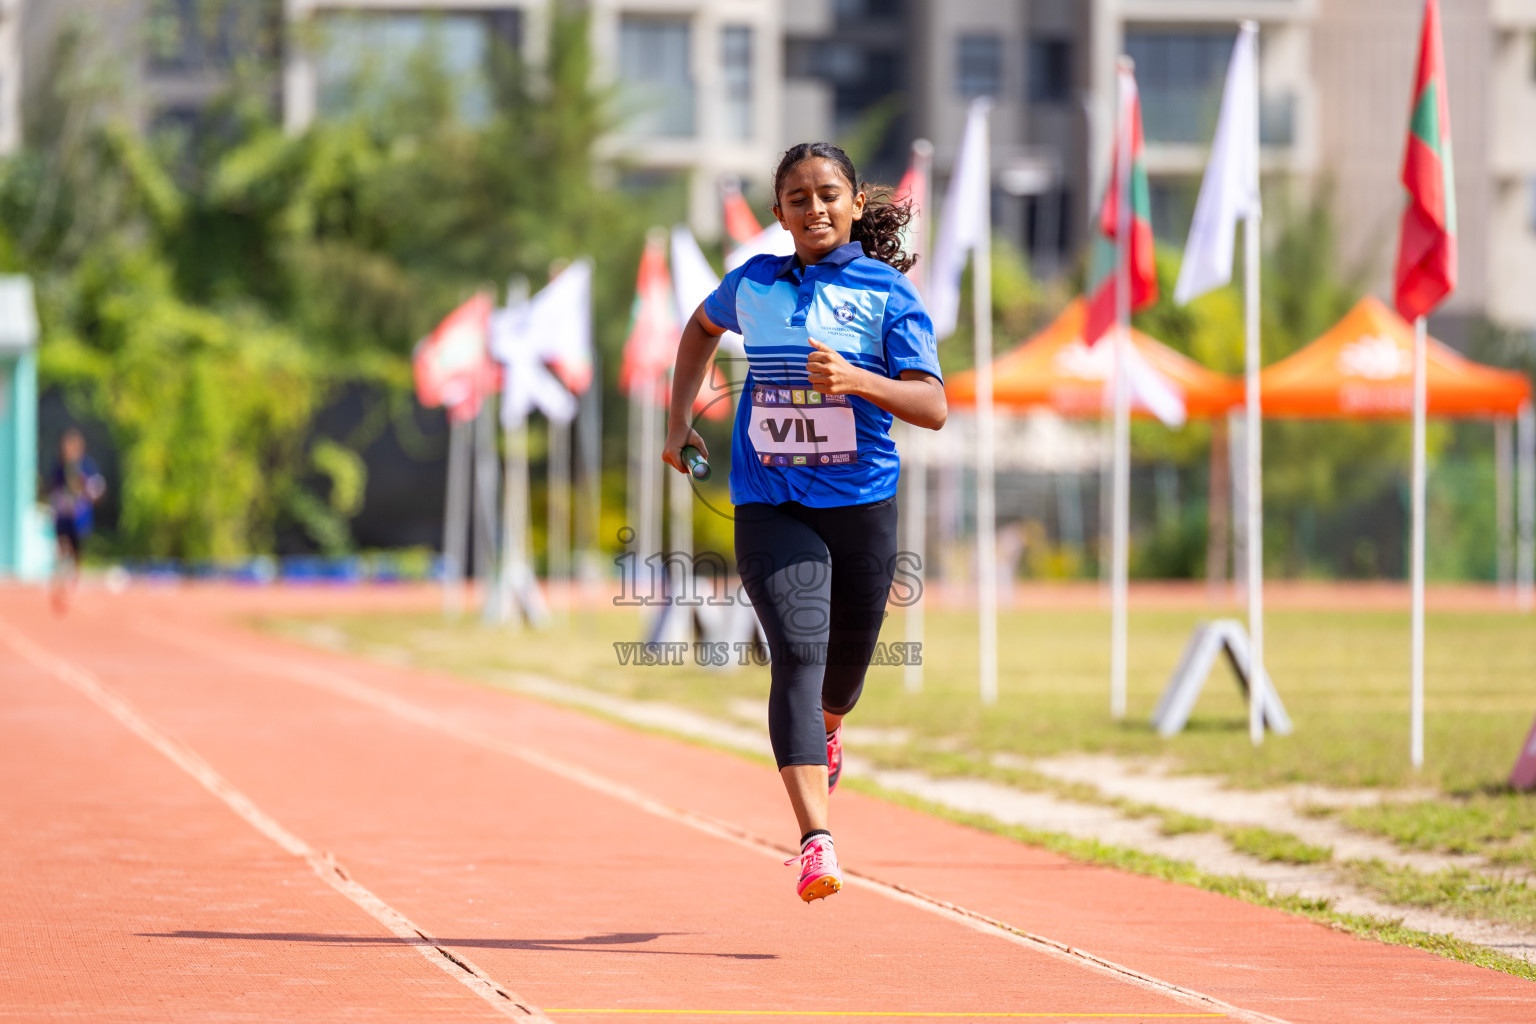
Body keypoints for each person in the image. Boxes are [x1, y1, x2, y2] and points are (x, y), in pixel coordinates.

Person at [664, 143, 946, 902]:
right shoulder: (754, 283)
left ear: (855, 203)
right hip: (770, 500)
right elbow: (698, 327)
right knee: (797, 649)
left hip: (861, 505)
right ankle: (815, 841)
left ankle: (829, 725)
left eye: (827, 194)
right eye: (797, 197)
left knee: (841, 681)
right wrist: (678, 417)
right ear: (779, 213)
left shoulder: (888, 293)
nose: (813, 208)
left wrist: (857, 380)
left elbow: (934, 406)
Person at [46, 427, 106, 612]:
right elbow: (52, 488)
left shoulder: (86, 466)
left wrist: (86, 490)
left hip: (79, 516)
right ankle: (61, 578)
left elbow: (97, 487)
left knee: (77, 550)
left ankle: (74, 580)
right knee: (63, 546)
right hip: (63, 515)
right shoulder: (59, 467)